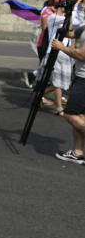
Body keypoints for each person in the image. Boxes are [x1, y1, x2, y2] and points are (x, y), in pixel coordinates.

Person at [52, 26, 85, 164]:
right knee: (81, 116)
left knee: (70, 114)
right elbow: (72, 33)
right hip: (80, 76)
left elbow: (82, 55)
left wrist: (62, 47)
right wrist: (66, 22)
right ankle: (77, 152)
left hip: (84, 79)